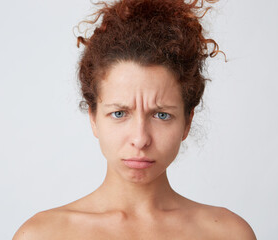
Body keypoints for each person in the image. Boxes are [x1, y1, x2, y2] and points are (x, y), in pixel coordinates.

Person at [13, 0, 257, 239]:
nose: (140, 139)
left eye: (161, 115)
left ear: (187, 121)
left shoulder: (228, 234)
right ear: (93, 117)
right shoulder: (42, 235)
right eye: (119, 113)